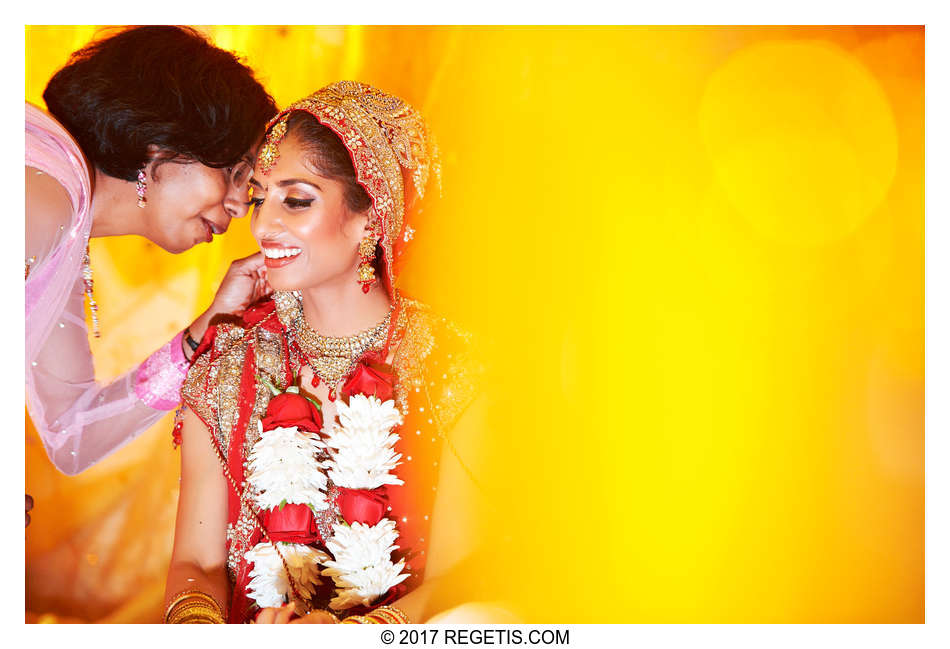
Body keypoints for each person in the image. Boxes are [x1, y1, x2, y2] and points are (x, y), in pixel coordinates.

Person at [165, 81, 493, 624]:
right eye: (258, 199)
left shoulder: (453, 366)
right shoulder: (228, 366)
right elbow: (196, 562)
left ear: (372, 212)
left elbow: (463, 576)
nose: (264, 225)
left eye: (296, 200)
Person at [25, 26, 278, 477]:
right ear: (159, 142)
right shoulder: (44, 192)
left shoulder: (65, 221)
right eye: (237, 173)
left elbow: (72, 436)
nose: (241, 208)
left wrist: (207, 330)